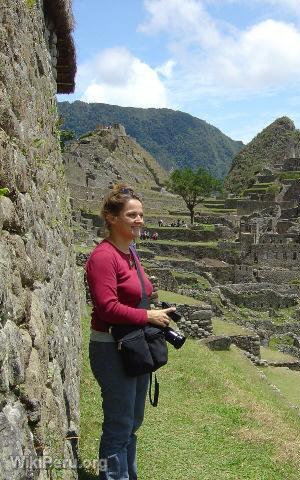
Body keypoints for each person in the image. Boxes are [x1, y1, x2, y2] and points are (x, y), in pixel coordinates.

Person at [85, 184, 175, 480]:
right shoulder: (103, 257)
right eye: (131, 215)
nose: (139, 220)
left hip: (134, 344)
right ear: (111, 218)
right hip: (112, 347)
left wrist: (154, 312)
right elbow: (107, 308)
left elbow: (138, 294)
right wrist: (148, 315)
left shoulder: (130, 253)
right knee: (118, 425)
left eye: (141, 215)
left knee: (132, 422)